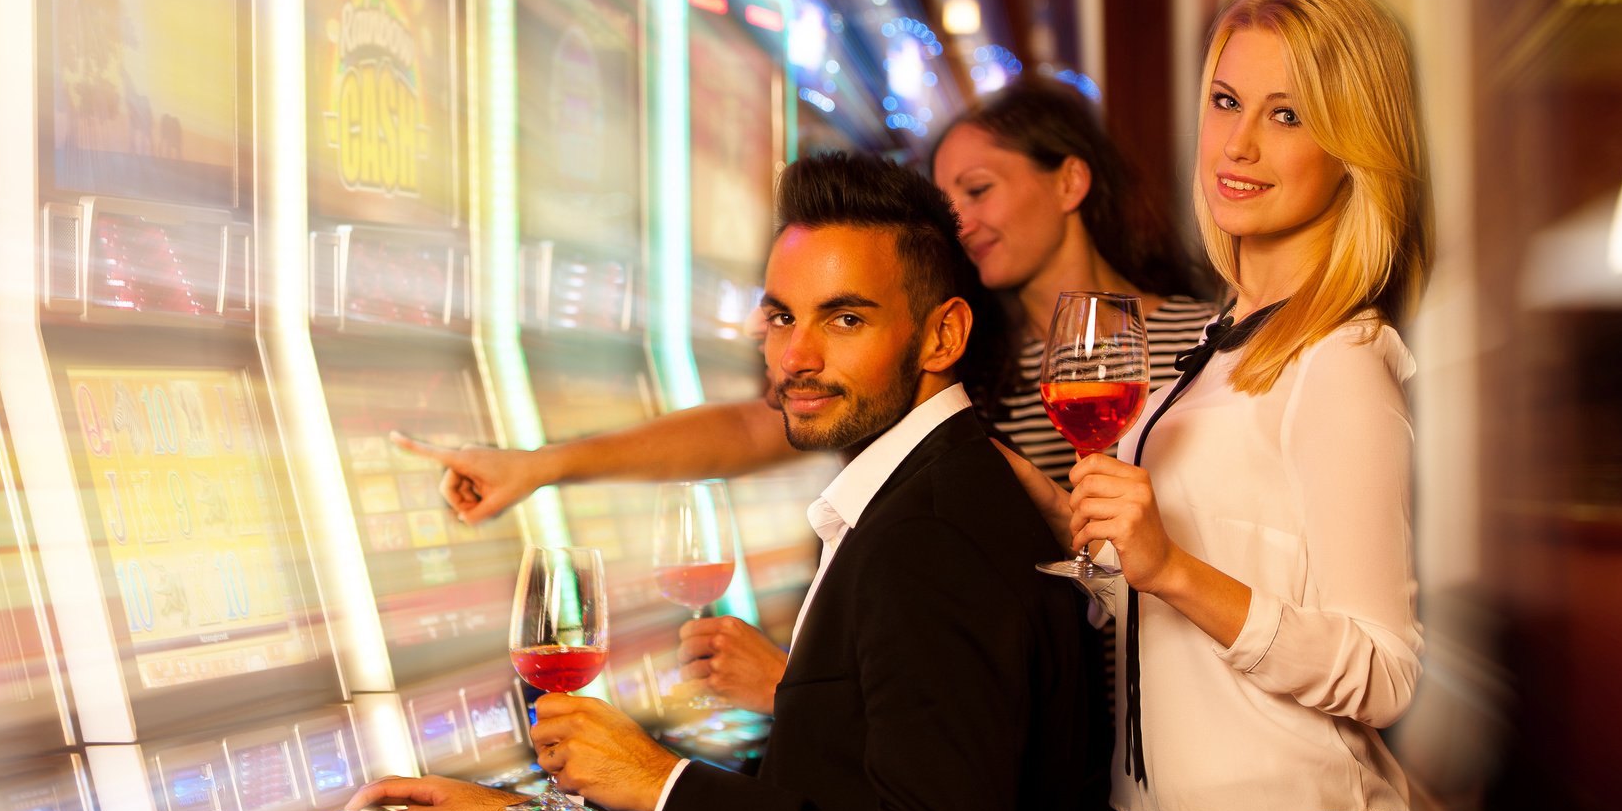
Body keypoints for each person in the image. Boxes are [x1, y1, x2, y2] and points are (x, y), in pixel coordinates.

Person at [354, 151, 1102, 811]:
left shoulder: (930, 539)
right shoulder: (926, 496)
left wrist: (662, 779)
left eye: (846, 319)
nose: (797, 357)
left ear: (943, 334)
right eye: (783, 319)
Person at [393, 78, 1214, 710]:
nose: (959, 218)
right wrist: (543, 465)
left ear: (1070, 182)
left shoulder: (1199, 340)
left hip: (1168, 710)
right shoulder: (964, 357)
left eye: (979, 189)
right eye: (947, 197)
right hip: (1035, 719)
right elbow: (759, 426)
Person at [1015, 0, 1432, 811]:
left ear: (1351, 149)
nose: (1236, 141)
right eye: (1223, 100)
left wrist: (1167, 568)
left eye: (1284, 113)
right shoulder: (1210, 355)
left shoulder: (1336, 366)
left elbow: (1385, 670)